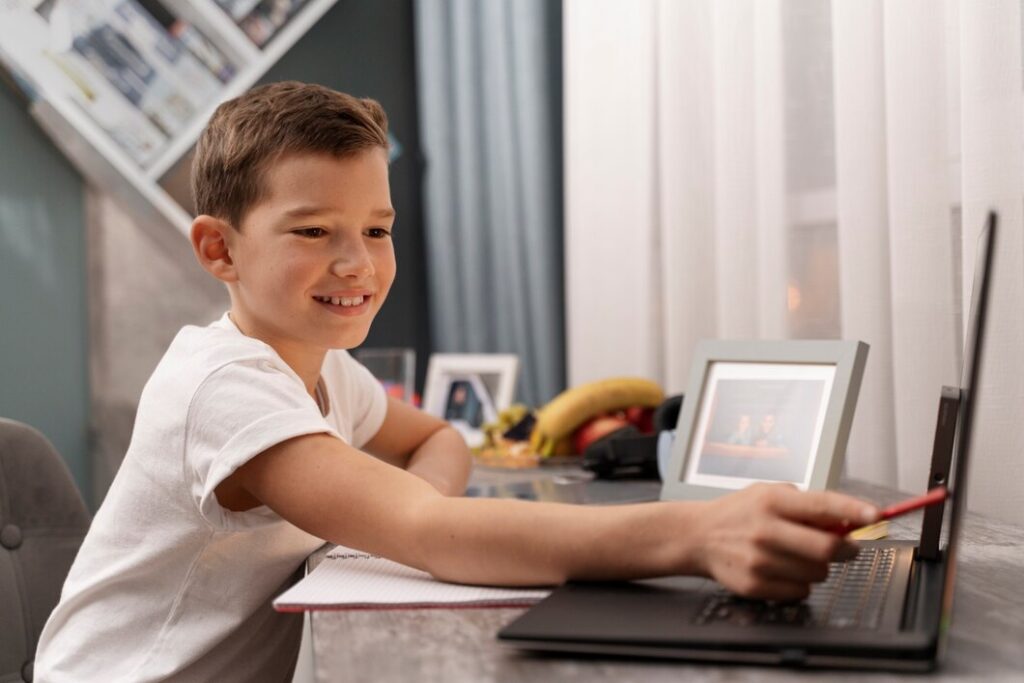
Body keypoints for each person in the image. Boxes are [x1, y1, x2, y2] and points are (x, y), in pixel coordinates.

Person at [35, 82, 880, 681]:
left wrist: (379, 530)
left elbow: (436, 440)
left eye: (377, 226)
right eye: (314, 230)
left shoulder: (325, 370)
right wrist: (699, 534)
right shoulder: (223, 386)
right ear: (220, 249)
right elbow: (435, 528)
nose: (356, 261)